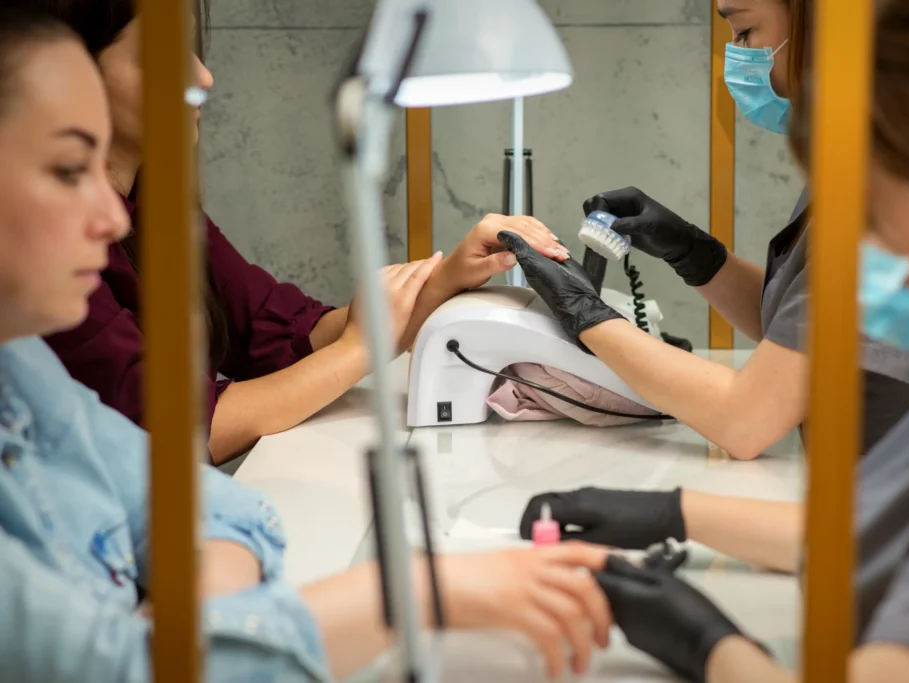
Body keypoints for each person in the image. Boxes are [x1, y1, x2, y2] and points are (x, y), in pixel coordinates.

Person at [0, 8, 612, 682]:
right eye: (64, 169)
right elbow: (187, 434)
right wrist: (408, 593)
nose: (201, 77)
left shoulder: (24, 364)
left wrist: (437, 283)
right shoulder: (47, 314)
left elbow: (271, 354)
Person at [577, 0, 909, 681]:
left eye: (871, 216)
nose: (843, 261)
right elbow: (876, 531)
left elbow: (753, 417)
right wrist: (676, 511)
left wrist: (711, 644)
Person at [26, 0, 570, 465]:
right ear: (61, 75)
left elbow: (279, 337)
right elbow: (174, 431)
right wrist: (358, 350)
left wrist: (445, 280)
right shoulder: (48, 257)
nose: (202, 77)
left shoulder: (162, 213)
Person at [505, 0, 909, 462]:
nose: (734, 58)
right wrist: (693, 253)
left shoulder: (901, 194)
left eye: (744, 32)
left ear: (827, 25)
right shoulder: (858, 165)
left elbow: (747, 421)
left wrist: (584, 314)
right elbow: (795, 331)